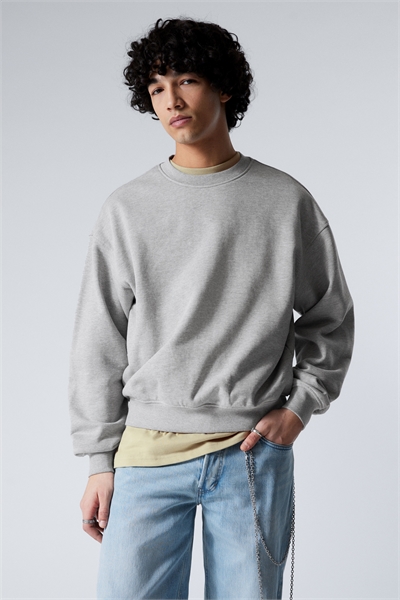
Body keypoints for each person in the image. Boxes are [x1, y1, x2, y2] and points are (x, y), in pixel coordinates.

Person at [69, 17, 354, 600]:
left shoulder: (285, 200)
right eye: (156, 88)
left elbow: (331, 317)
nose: (171, 100)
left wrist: (299, 408)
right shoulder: (127, 208)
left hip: (251, 455)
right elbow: (99, 340)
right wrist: (99, 460)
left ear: (223, 87)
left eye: (187, 80)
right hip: (145, 455)